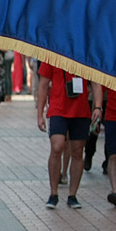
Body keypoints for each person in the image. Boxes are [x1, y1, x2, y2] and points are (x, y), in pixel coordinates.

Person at [36, 63, 102, 209]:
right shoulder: (52, 53)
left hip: (81, 111)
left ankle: (72, 195)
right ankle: (54, 193)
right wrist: (40, 114)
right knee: (57, 147)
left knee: (78, 152)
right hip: (58, 109)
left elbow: (96, 82)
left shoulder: (85, 53)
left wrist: (97, 106)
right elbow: (43, 85)